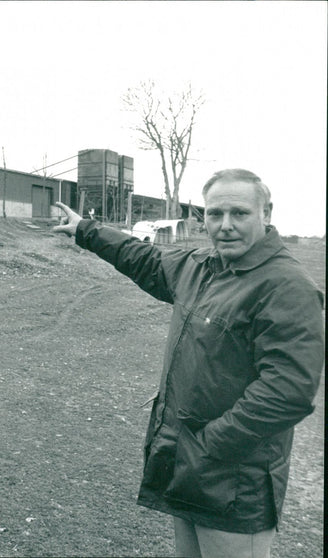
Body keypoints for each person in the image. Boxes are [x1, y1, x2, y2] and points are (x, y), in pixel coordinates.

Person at [52, 169, 324, 558]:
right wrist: (86, 231)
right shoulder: (201, 266)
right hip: (191, 467)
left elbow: (288, 392)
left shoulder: (287, 287)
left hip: (233, 482)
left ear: (267, 213)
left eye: (239, 213)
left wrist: (208, 446)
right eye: (215, 214)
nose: (225, 226)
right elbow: (143, 258)